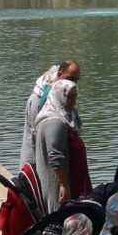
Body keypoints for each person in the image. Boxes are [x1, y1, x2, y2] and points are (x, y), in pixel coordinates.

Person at [32, 72, 83, 212]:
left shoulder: (62, 117)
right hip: (56, 182)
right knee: (58, 214)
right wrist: (63, 185)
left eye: (75, 97)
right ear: (60, 96)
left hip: (64, 179)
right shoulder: (55, 121)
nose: (73, 101)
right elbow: (55, 155)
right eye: (70, 97)